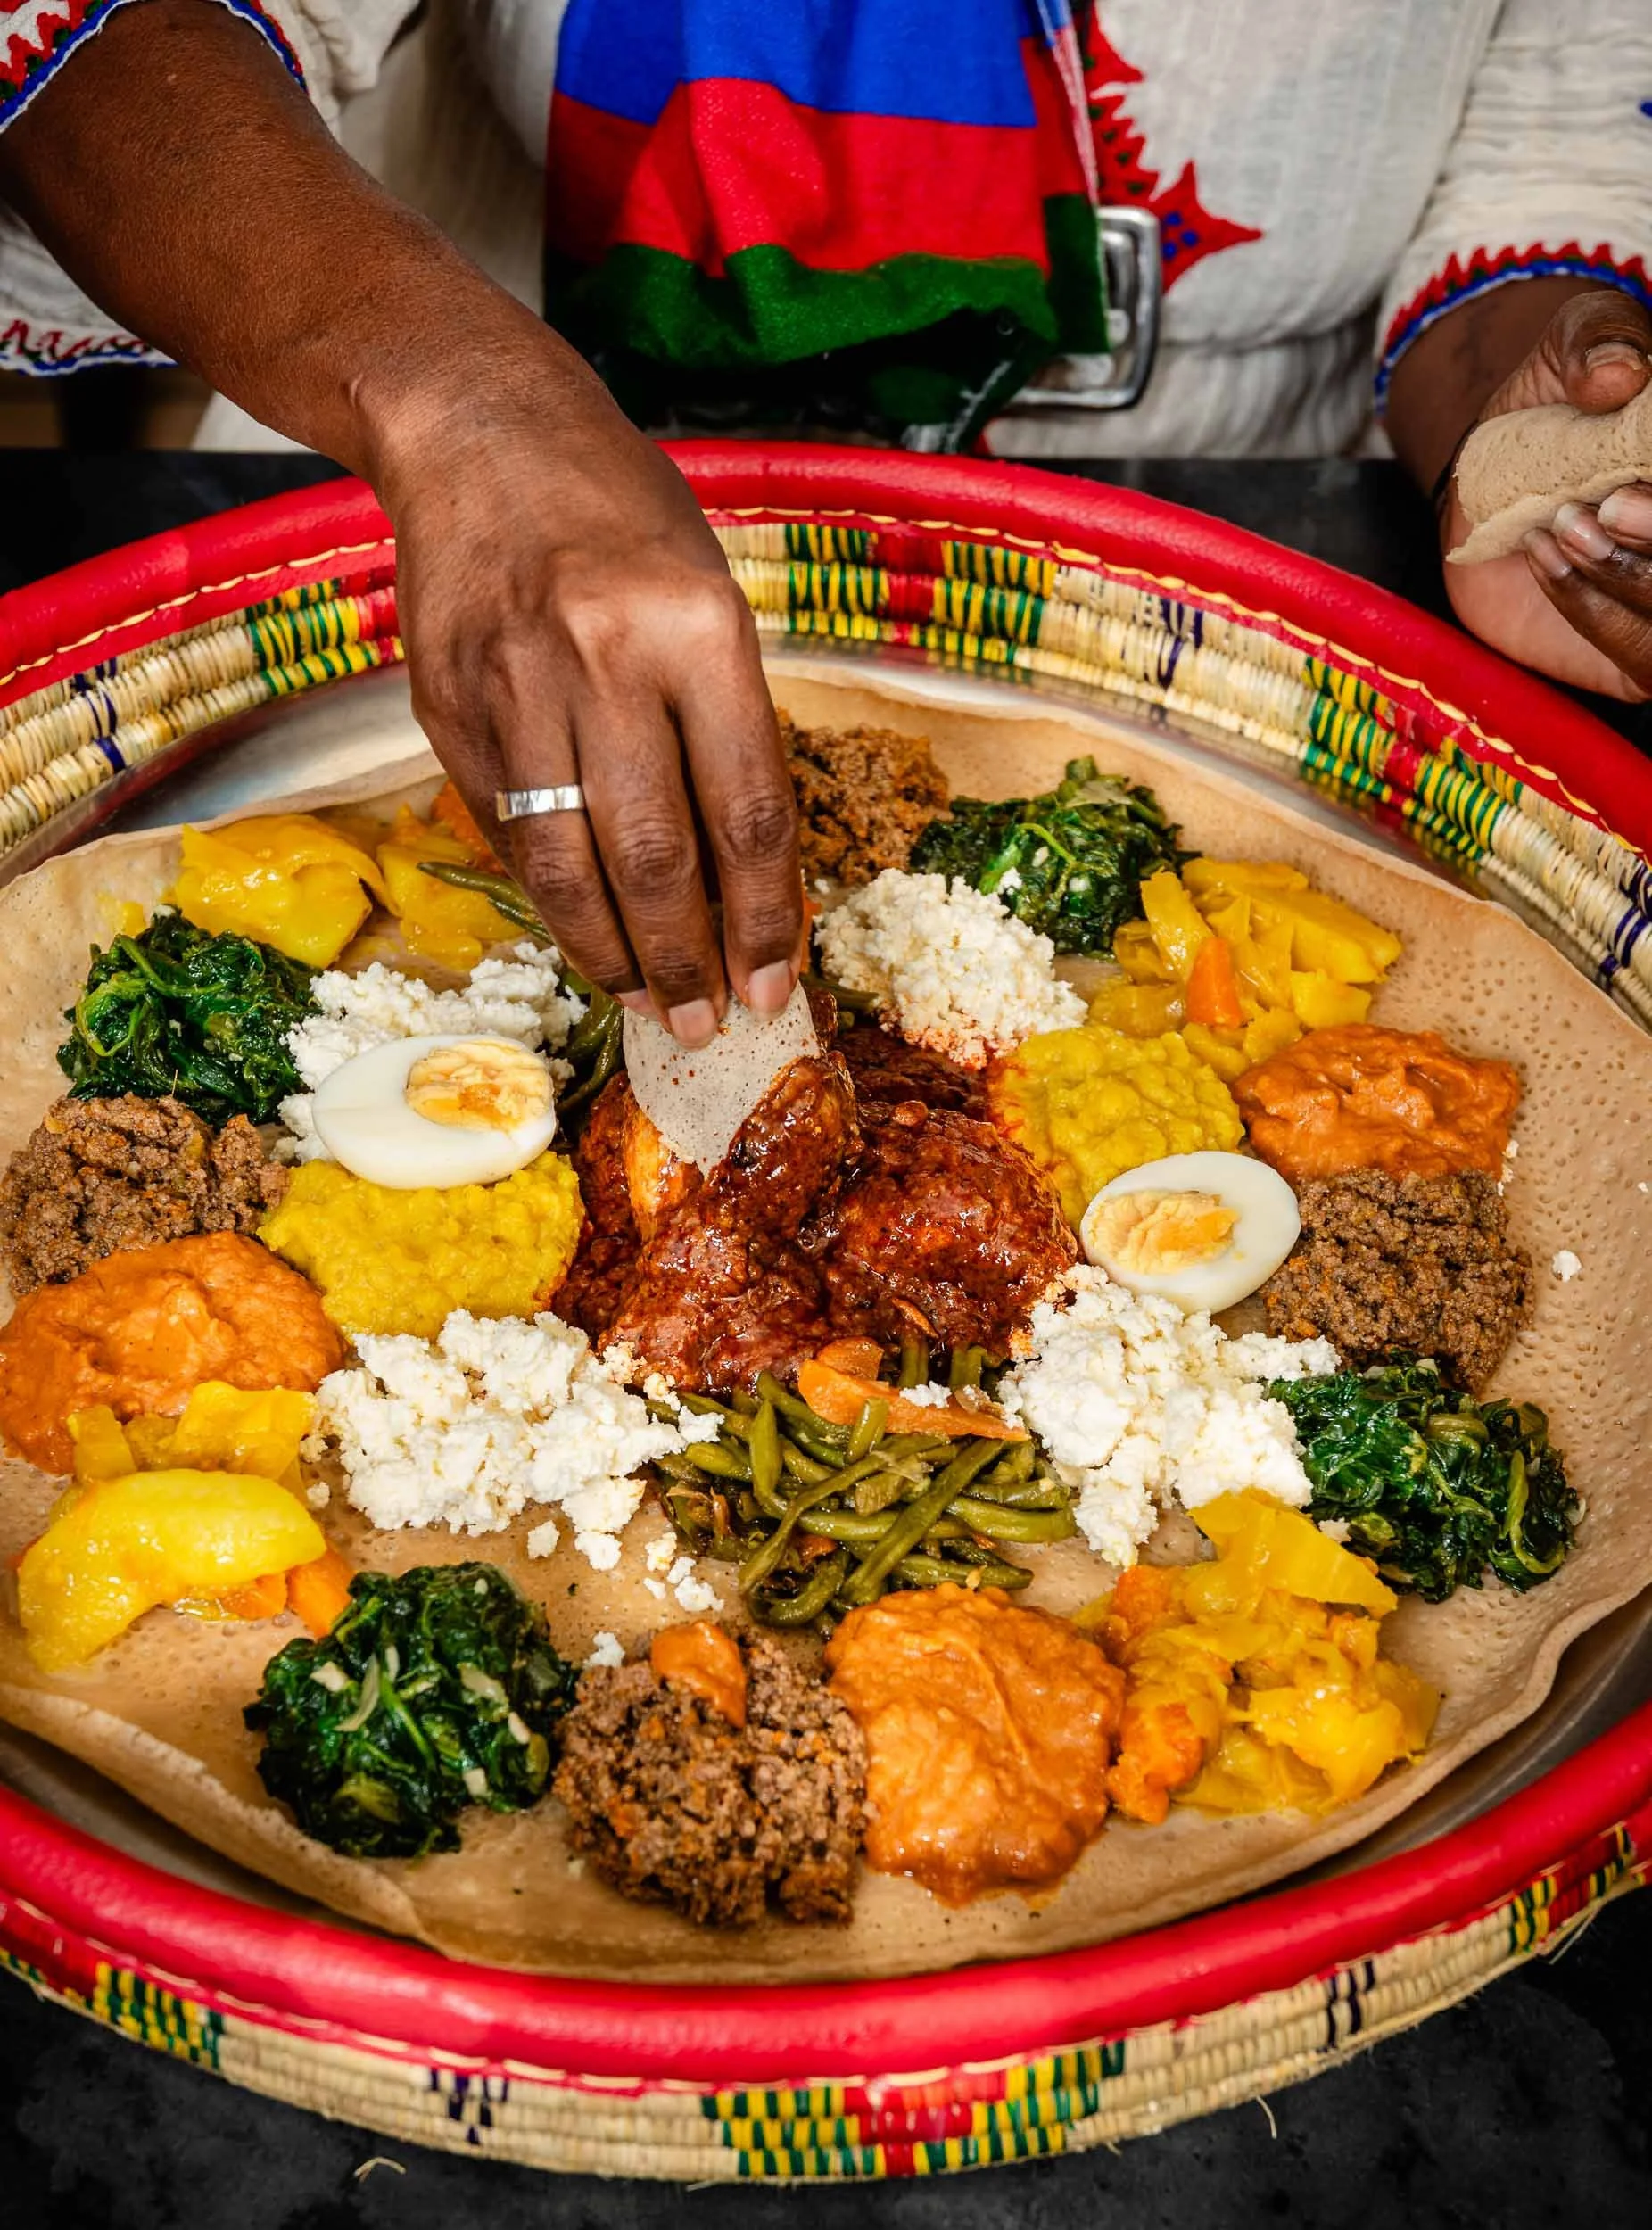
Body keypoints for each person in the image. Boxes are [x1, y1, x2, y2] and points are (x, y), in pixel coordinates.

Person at [0, 2, 1648, 1052]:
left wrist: (1543, 430)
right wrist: (460, 403)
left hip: (1214, 532)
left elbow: (1554, 136)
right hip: (442, 454)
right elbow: (85, 34)